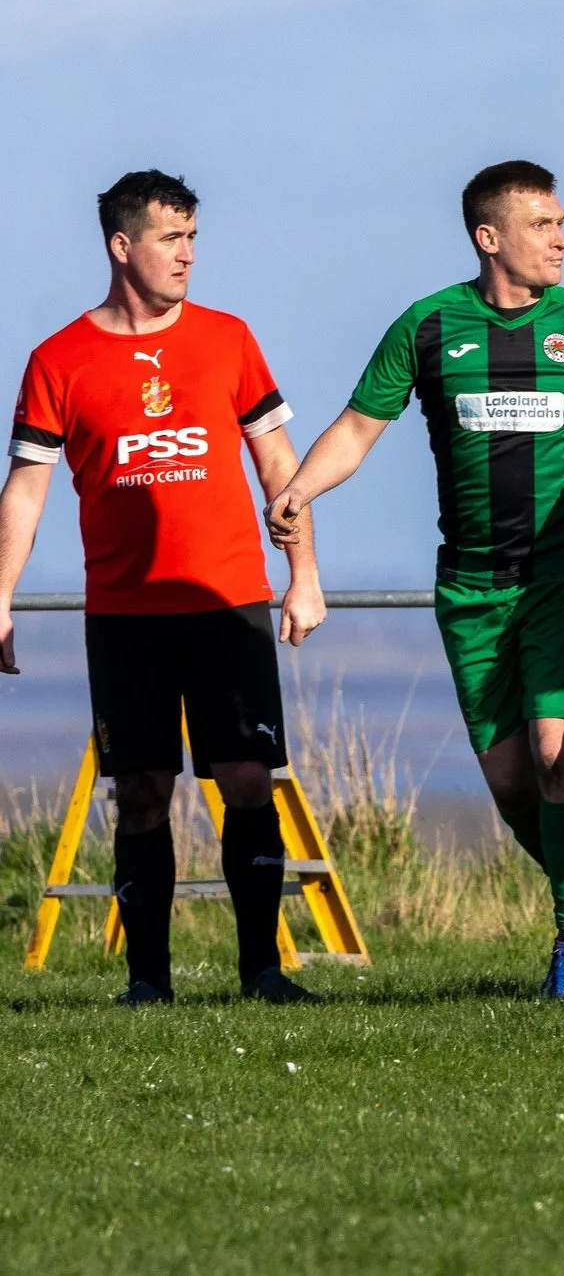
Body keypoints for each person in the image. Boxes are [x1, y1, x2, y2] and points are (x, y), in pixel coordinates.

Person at [268, 161, 564, 998]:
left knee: (560, 756)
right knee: (512, 781)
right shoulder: (428, 327)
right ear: (490, 238)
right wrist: (302, 487)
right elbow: (357, 425)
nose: (562, 238)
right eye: (542, 225)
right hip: (472, 586)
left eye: (562, 223)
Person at [0, 171, 327, 1005]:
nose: (187, 255)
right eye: (169, 239)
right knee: (142, 788)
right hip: (125, 619)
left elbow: (281, 470)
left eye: (192, 239)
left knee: (248, 778)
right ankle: (148, 980)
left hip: (228, 608)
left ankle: (264, 972)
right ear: (121, 246)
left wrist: (304, 577)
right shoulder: (57, 360)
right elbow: (26, 492)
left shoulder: (229, 339)